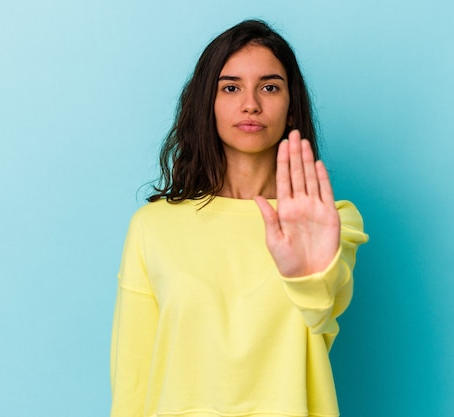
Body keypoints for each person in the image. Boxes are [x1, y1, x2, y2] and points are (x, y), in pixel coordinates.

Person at [110, 19, 368, 417]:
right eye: (231, 87)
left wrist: (308, 274)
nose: (251, 103)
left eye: (269, 87)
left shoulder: (332, 220)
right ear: (206, 105)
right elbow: (133, 379)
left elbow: (322, 311)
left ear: (291, 106)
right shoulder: (152, 226)